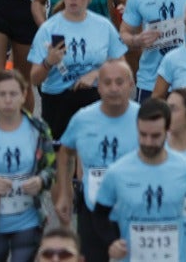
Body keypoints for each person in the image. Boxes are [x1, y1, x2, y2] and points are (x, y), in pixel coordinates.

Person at [87, 98, 186, 262]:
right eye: (143, 135)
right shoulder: (117, 172)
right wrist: (111, 241)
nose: (148, 142)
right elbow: (99, 214)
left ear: (167, 131)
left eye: (155, 136)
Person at [0, 70, 58, 262]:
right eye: (2, 94)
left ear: (24, 95)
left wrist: (40, 180)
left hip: (28, 221)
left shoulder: (38, 129)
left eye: (13, 94)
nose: (7, 100)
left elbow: (52, 167)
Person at [53, 60, 139, 262]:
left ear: (131, 84)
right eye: (107, 83)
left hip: (132, 210)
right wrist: (65, 193)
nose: (114, 89)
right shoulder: (83, 119)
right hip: (92, 208)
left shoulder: (143, 117)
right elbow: (65, 153)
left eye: (120, 82)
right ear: (98, 86)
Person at [28, 0, 128, 138]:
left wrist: (97, 73)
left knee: (91, 156)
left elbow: (123, 67)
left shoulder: (103, 26)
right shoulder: (50, 28)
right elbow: (34, 78)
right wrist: (48, 62)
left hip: (94, 98)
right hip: (58, 99)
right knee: (60, 157)